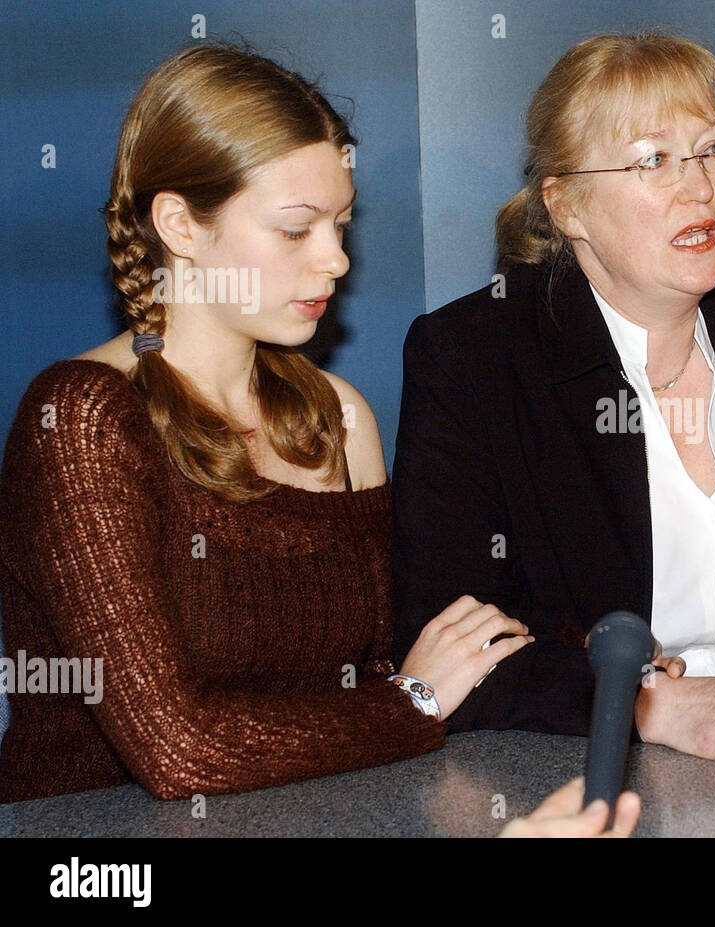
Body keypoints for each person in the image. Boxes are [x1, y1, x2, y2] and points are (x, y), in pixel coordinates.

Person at [0, 45, 635, 835]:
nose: (335, 259)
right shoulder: (84, 418)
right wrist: (417, 699)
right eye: (296, 230)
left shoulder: (336, 416)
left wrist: (595, 661)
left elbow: (380, 670)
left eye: (340, 225)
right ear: (178, 225)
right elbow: (179, 753)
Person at [392, 32, 715, 764]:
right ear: (567, 206)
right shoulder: (474, 360)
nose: (700, 188)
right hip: (596, 767)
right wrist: (645, 703)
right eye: (653, 160)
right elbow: (453, 650)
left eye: (713, 150)